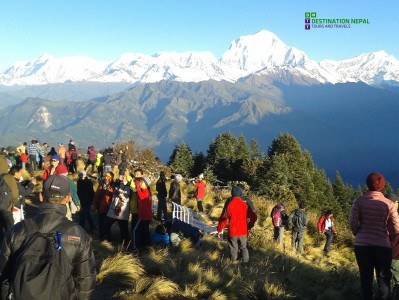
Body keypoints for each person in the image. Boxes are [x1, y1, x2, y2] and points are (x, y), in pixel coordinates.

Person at [0, 175, 96, 299]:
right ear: (68, 198)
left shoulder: (17, 230)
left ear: (41, 196)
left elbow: (3, 275)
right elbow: (85, 282)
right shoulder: (78, 234)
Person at [349, 172, 399, 300]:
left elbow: (353, 222)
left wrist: (358, 234)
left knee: (366, 279)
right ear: (382, 186)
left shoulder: (359, 201)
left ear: (367, 184)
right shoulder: (389, 204)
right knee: (383, 279)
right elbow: (395, 228)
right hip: (382, 246)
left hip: (362, 246)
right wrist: (389, 237)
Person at [217, 186, 256, 263]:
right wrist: (250, 225)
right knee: (244, 247)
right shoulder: (245, 205)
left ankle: (234, 262)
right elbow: (254, 216)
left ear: (232, 193)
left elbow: (223, 218)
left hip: (233, 231)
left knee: (233, 248)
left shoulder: (229, 204)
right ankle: (245, 262)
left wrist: (219, 229)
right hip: (243, 230)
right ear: (241, 193)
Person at [102, 169, 131, 244]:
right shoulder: (116, 183)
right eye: (121, 175)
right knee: (105, 225)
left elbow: (127, 198)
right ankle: (105, 240)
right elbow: (108, 185)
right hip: (113, 210)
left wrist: (122, 196)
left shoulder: (129, 186)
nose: (122, 177)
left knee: (124, 230)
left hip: (122, 212)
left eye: (124, 176)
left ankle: (125, 244)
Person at [0, 156, 19, 242]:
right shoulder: (9, 178)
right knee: (10, 232)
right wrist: (12, 204)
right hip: (6, 209)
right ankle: (10, 252)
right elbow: (15, 195)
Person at [133, 176, 153, 251]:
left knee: (136, 230)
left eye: (142, 182)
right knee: (145, 231)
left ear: (146, 184)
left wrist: (138, 188)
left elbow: (141, 197)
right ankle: (148, 246)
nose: (140, 183)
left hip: (143, 216)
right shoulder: (148, 191)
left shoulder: (146, 191)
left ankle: (135, 248)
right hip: (148, 216)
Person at [93, 172, 115, 240]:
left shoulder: (113, 187)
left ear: (111, 178)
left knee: (106, 224)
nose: (106, 177)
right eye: (105, 176)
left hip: (108, 208)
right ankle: (101, 237)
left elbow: (114, 197)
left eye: (108, 176)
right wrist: (94, 206)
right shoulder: (101, 185)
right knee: (100, 222)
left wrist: (110, 204)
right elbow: (96, 196)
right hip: (100, 207)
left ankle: (109, 238)